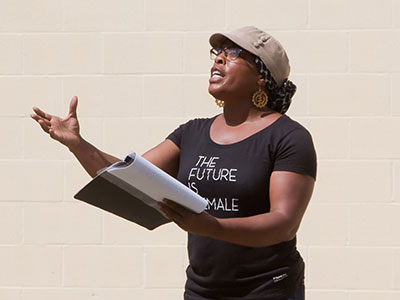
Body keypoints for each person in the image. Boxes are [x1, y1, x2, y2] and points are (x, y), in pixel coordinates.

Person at [31, 26, 316, 300]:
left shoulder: (288, 138)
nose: (218, 57)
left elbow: (284, 224)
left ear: (262, 76)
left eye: (233, 52)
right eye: (217, 51)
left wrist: (214, 227)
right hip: (202, 291)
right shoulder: (191, 132)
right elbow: (129, 177)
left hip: (268, 290)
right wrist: (78, 145)